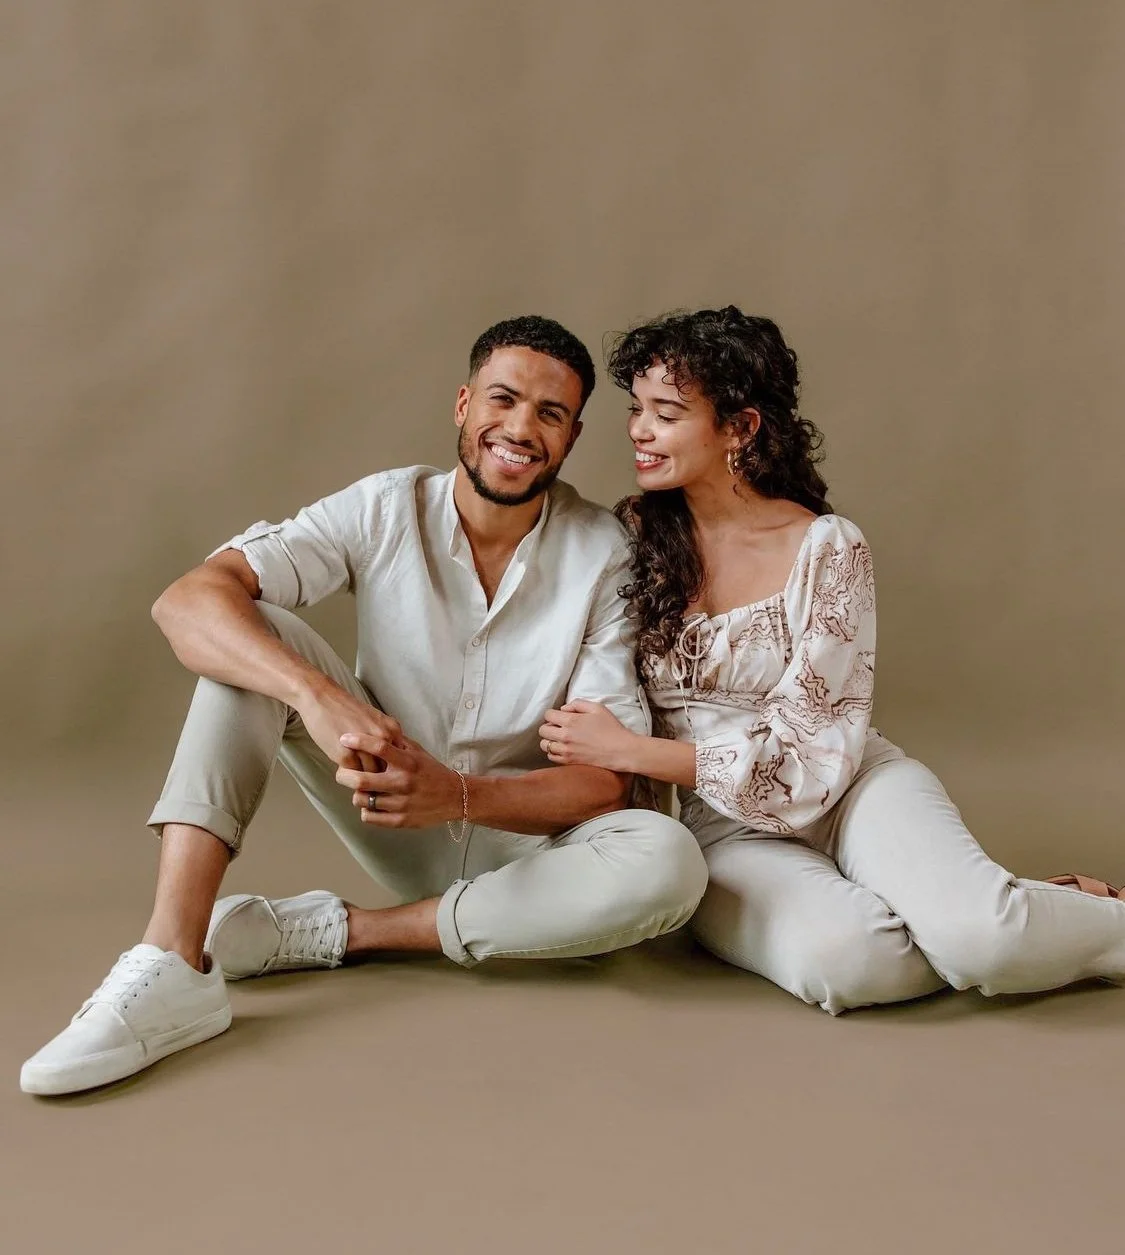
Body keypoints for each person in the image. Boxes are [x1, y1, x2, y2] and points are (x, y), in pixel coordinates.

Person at [21, 315, 708, 1096]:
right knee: (251, 635)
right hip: (382, 805)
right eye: (503, 399)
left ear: (572, 435)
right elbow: (186, 602)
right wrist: (314, 698)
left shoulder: (604, 554)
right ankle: (173, 961)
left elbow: (604, 783)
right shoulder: (383, 508)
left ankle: (345, 931)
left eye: (548, 414)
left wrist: (452, 794)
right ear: (462, 404)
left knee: (667, 859)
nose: (519, 428)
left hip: (528, 848)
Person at [539, 305, 1125, 1015]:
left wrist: (633, 752)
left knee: (983, 942)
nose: (637, 429)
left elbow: (812, 746)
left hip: (850, 783)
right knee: (850, 967)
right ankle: (1018, 911)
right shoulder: (629, 535)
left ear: (739, 427)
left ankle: (1014, 926)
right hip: (723, 830)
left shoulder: (828, 547)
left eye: (665, 413)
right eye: (636, 409)